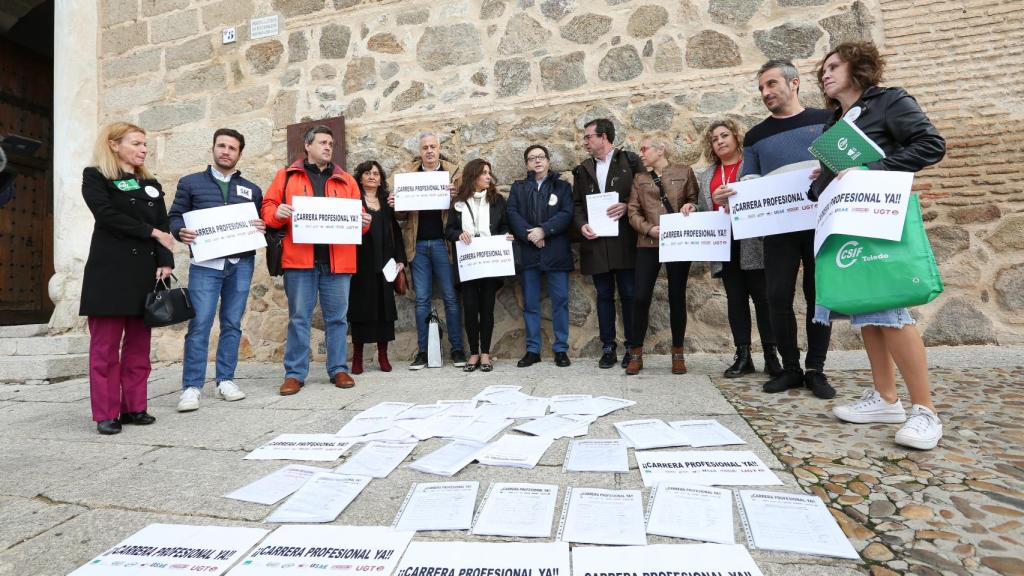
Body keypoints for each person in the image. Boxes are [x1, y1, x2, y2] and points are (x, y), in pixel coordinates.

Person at [809, 41, 946, 449]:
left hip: (880, 216)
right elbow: (840, 176)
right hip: (849, 221)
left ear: (859, 67)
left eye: (834, 66)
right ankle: (886, 398)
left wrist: (870, 168)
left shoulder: (888, 101)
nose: (826, 74)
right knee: (867, 307)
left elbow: (930, 145)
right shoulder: (836, 122)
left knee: (890, 306)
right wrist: (820, 182)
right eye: (823, 70)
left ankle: (925, 411)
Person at [714, 59, 836, 399]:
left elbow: (846, 168)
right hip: (778, 230)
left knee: (819, 298)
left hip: (819, 225)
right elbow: (747, 181)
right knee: (777, 298)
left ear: (793, 83)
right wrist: (729, 195)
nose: (765, 92)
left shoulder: (826, 121)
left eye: (771, 84)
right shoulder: (755, 136)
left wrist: (829, 172)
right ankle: (791, 369)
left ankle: (816, 370)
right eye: (761, 88)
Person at [261, 125, 370, 395]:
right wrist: (279, 213)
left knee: (338, 318)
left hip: (338, 261)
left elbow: (359, 219)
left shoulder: (347, 180)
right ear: (307, 146)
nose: (328, 147)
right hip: (300, 261)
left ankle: (338, 369)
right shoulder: (286, 177)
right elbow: (268, 208)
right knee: (299, 318)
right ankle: (295, 373)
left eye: (331, 143)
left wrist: (365, 222)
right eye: (322, 142)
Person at [79, 122, 173, 435]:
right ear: (114, 144)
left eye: (144, 144)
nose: (143, 149)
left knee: (138, 347)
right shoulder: (96, 176)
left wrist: (166, 261)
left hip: (145, 272)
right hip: (109, 272)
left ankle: (134, 407)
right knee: (105, 349)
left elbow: (163, 224)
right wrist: (150, 232)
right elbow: (106, 215)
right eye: (136, 143)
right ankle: (106, 412)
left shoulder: (149, 182)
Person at [169, 128, 265, 412]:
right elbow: (175, 215)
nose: (226, 151)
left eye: (232, 148)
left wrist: (261, 225)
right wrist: (179, 231)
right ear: (213, 148)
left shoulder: (252, 189)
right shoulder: (190, 183)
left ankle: (226, 379)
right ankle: (191, 387)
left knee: (232, 323)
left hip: (240, 264)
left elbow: (258, 223)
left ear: (239, 154)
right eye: (221, 146)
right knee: (199, 324)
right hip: (205, 265)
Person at [694, 120, 782, 378]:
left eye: (724, 135)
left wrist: (737, 201)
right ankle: (743, 355)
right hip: (725, 243)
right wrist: (695, 209)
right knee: (736, 300)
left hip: (753, 242)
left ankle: (771, 355)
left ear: (736, 138)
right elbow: (704, 209)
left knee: (763, 300)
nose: (720, 141)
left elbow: (765, 196)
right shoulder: (707, 175)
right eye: (714, 139)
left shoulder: (752, 165)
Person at [389, 133, 466, 370]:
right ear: (420, 151)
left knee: (451, 298)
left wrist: (457, 198)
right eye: (425, 148)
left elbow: (466, 207)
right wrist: (396, 205)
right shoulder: (409, 176)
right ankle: (423, 352)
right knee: (421, 300)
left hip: (445, 245)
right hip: (418, 245)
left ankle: (457, 349)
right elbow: (401, 217)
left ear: (439, 149)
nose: (429, 151)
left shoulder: (455, 174)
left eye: (433, 147)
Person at [572, 118, 642, 369]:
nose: (585, 142)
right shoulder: (581, 169)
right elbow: (577, 204)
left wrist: (627, 206)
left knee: (629, 294)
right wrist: (581, 225)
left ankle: (633, 347)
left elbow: (644, 193)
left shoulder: (630, 161)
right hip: (596, 241)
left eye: (588, 137)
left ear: (604, 137)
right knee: (603, 295)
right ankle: (608, 347)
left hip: (625, 239)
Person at [626, 137, 698, 375]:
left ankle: (678, 352)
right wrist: (648, 229)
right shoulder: (640, 178)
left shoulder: (684, 171)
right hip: (648, 242)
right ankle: (636, 352)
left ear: (661, 149)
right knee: (640, 297)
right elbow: (633, 211)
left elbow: (693, 199)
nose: (641, 153)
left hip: (678, 241)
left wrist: (691, 207)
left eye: (644, 148)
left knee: (677, 295)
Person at [507, 144, 574, 368]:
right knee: (531, 304)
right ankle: (533, 350)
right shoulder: (518, 188)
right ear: (527, 164)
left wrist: (544, 230)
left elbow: (566, 213)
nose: (537, 161)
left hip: (556, 252)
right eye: (532, 158)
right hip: (529, 253)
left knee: (560, 301)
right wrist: (531, 235)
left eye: (541, 157)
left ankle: (561, 349)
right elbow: (513, 213)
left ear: (547, 161)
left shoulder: (562, 186)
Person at [445, 159, 512, 372]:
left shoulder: (497, 200)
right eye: (484, 173)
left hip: (490, 262)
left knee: (487, 308)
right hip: (468, 263)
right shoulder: (458, 202)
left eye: (489, 173)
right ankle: (473, 353)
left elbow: (504, 226)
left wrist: (504, 237)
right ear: (473, 175)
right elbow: (449, 230)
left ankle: (485, 354)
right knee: (471, 308)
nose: (488, 177)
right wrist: (459, 234)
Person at [349, 160, 406, 374]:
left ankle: (383, 356)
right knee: (360, 310)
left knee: (385, 311)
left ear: (380, 179)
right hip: (360, 263)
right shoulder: (353, 200)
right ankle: (358, 358)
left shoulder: (386, 201)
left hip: (386, 263)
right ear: (360, 177)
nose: (372, 176)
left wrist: (400, 259)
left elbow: (396, 231)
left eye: (376, 173)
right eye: (367, 173)